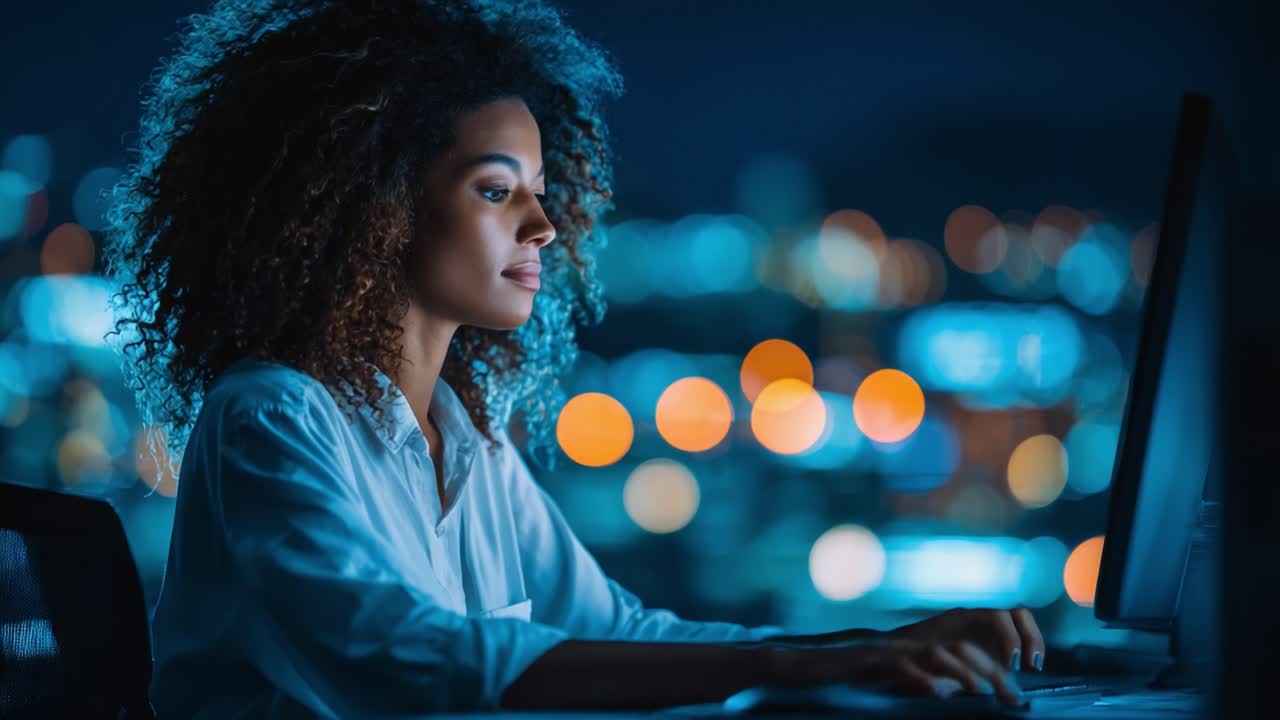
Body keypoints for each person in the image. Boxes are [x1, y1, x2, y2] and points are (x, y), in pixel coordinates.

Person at [103, 0, 1044, 716]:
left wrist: (864, 645)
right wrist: (794, 665)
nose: (545, 226)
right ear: (368, 204)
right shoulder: (268, 417)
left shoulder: (467, 444)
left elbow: (617, 633)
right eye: (496, 190)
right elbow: (400, 656)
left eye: (542, 192)